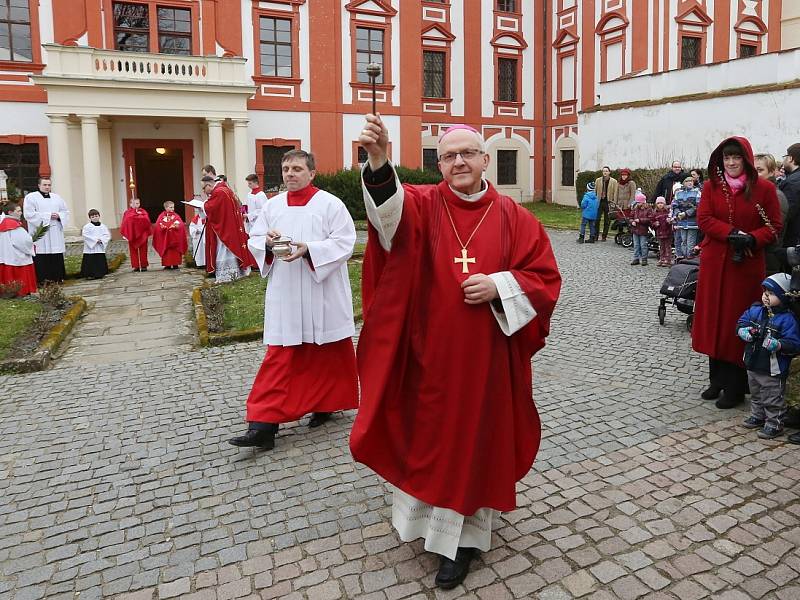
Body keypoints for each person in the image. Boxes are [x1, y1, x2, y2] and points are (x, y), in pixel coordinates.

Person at [350, 115, 561, 590]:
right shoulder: (423, 204)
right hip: (429, 353)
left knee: (473, 439)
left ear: (486, 160)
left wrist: (501, 284)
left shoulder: (515, 217)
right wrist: (380, 161)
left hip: (486, 359)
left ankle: (463, 542)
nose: (459, 162)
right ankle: (427, 523)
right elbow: (388, 220)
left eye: (468, 153)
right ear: (439, 164)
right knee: (431, 437)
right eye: (449, 156)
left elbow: (546, 279)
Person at [230, 150, 358, 450]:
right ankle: (263, 424)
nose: (290, 173)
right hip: (286, 290)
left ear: (311, 173)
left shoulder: (330, 204)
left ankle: (325, 405)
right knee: (280, 357)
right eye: (286, 168)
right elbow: (255, 237)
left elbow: (345, 242)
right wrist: (267, 242)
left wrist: (309, 250)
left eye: (297, 169)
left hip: (321, 290)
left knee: (327, 352)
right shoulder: (272, 206)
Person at [693, 137, 782, 410]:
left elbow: (774, 226)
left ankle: (735, 386)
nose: (731, 163)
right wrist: (731, 233)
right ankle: (717, 379)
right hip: (714, 263)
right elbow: (704, 219)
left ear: (746, 159)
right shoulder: (711, 187)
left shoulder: (764, 189)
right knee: (713, 322)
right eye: (726, 158)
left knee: (738, 324)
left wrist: (752, 239)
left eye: (736, 157)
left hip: (744, 267)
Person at [736, 273, 800, 439]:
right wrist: (743, 331)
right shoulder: (756, 310)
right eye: (765, 292)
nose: (766, 296)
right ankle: (758, 416)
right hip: (753, 361)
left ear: (783, 297)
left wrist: (779, 345)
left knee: (772, 397)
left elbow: (794, 343)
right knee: (756, 394)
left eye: (771, 294)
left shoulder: (788, 320)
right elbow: (742, 322)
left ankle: (774, 424)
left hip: (773, 367)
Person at [202, 175, 255, 283]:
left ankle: (228, 275)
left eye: (204, 188)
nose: (203, 191)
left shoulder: (219, 192)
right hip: (230, 225)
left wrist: (203, 204)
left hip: (226, 228)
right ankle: (236, 273)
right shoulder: (225, 189)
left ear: (209, 185)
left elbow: (211, 207)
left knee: (225, 250)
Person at [23, 177, 68, 284]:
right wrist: (48, 216)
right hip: (41, 232)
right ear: (39, 185)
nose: (47, 187)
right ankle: (43, 279)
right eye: (45, 185)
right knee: (42, 254)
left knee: (56, 254)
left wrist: (59, 215)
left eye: (49, 185)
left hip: (55, 230)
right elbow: (29, 214)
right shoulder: (31, 197)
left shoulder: (57, 197)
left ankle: (58, 277)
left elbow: (65, 211)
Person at [755, 153, 789, 275]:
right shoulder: (757, 193)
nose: (754, 174)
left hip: (767, 260)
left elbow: (773, 231)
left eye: (759, 170)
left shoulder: (776, 196)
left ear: (771, 172)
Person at [0, 202, 37, 296]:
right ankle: (22, 291)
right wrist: (31, 245)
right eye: (18, 211)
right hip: (17, 257)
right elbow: (22, 242)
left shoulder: (4, 223)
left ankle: (8, 292)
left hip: (6, 256)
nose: (21, 213)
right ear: (10, 212)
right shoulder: (14, 226)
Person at [671, 176, 700, 261]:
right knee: (683, 241)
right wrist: (678, 214)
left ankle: (690, 260)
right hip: (681, 222)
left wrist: (686, 213)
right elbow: (674, 205)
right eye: (687, 181)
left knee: (691, 242)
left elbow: (698, 206)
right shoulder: (678, 193)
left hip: (692, 222)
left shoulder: (697, 192)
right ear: (683, 182)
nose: (690, 182)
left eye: (691, 180)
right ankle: (684, 260)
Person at [120, 197, 152, 272]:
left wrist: (139, 216)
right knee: (133, 250)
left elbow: (147, 220)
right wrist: (133, 217)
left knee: (143, 250)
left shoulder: (143, 211)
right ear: (130, 204)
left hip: (142, 234)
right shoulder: (127, 212)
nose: (136, 205)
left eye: (137, 203)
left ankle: (143, 265)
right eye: (134, 203)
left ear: (139, 204)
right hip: (132, 234)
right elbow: (125, 222)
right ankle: (136, 266)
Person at [152, 201, 187, 270]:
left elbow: (181, 224)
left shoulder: (176, 215)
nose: (172, 209)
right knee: (166, 251)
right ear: (165, 208)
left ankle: (175, 264)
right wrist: (163, 227)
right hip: (165, 237)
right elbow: (158, 225)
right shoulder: (161, 216)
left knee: (175, 251)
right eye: (171, 207)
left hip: (174, 237)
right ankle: (167, 264)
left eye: (173, 207)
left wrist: (175, 226)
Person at [79, 209, 111, 279]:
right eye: (92, 217)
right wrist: (95, 240)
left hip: (99, 246)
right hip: (91, 248)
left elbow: (106, 235)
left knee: (99, 259)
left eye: (96, 216)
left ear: (99, 216)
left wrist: (102, 240)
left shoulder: (103, 226)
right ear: (90, 218)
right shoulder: (87, 226)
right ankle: (90, 274)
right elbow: (85, 235)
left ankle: (100, 273)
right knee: (90, 260)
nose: (95, 218)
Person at [780, 144, 800, 248]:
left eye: (785, 157)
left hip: (792, 238)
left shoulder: (792, 182)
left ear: (791, 158)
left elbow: (787, 213)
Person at [594, 166, 618, 241]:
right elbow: (595, 191)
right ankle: (596, 235)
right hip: (600, 202)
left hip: (608, 202)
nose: (605, 172)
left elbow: (615, 193)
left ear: (609, 172)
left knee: (607, 220)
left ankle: (604, 236)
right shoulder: (598, 180)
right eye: (604, 171)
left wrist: (614, 202)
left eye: (606, 171)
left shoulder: (614, 181)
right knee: (597, 219)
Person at [630, 191, 653, 266]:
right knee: (636, 245)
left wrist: (640, 220)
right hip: (635, 229)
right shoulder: (635, 209)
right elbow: (630, 217)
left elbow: (649, 219)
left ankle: (644, 259)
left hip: (643, 230)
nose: (637, 204)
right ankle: (636, 258)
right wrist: (632, 221)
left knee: (643, 245)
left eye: (639, 202)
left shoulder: (648, 209)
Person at [653, 197, 672, 267]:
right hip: (659, 232)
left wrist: (669, 222)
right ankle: (662, 258)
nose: (660, 205)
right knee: (661, 247)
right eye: (658, 203)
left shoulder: (668, 212)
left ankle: (668, 259)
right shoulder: (655, 212)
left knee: (667, 246)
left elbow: (671, 220)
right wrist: (655, 224)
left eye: (661, 203)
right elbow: (652, 221)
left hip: (667, 232)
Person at [189, 204, 207, 269]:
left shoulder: (207, 218)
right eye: (199, 210)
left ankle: (206, 263)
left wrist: (201, 229)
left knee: (205, 250)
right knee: (199, 251)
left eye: (202, 210)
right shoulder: (195, 219)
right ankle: (199, 263)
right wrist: (195, 231)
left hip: (205, 236)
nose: (201, 212)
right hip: (198, 236)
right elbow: (191, 226)